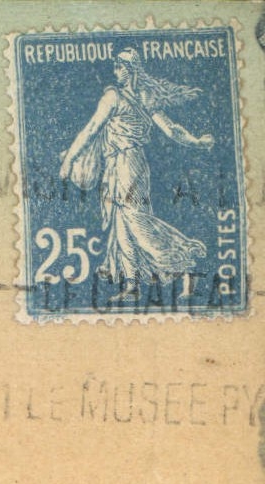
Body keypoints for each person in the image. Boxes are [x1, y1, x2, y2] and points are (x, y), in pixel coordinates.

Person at [59, 48, 215, 302]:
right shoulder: (144, 97)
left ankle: (186, 258)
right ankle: (131, 286)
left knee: (135, 220)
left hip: (127, 164)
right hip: (122, 165)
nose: (115, 72)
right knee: (121, 225)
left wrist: (68, 160)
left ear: (130, 69)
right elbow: (172, 130)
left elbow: (90, 130)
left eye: (119, 67)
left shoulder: (115, 97)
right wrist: (196, 142)